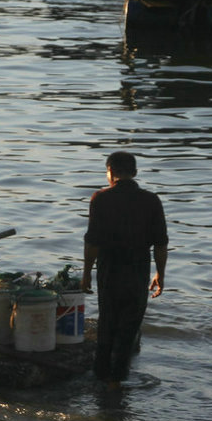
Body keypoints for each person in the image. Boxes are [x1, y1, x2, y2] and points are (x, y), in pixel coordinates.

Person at [81, 151, 167, 387]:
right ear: (135, 172)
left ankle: (101, 379)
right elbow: (161, 243)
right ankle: (118, 382)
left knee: (106, 326)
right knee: (128, 329)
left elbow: (92, 242)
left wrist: (87, 273)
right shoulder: (151, 201)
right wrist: (160, 274)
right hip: (138, 273)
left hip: (110, 272)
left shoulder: (100, 199)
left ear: (110, 171)